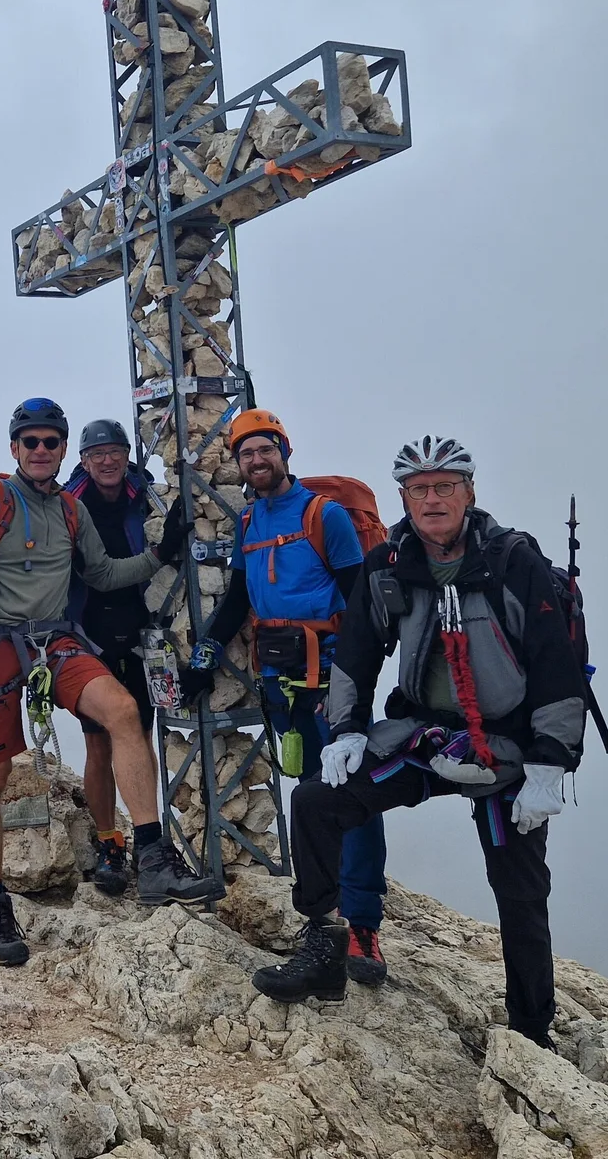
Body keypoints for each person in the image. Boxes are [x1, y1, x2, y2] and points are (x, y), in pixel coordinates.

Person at [251, 436, 586, 1050]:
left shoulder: (513, 561)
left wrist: (550, 764)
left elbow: (556, 666)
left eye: (445, 486)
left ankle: (532, 1030)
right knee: (318, 801)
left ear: (469, 492)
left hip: (506, 751)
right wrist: (347, 732)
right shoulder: (391, 563)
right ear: (404, 497)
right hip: (423, 735)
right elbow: (356, 651)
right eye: (419, 489)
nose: (432, 500)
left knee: (520, 890)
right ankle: (325, 945)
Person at [0, 397, 219, 965]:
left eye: (51, 442)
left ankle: (149, 858)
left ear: (63, 448)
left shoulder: (71, 513)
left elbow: (102, 573)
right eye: (31, 442)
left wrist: (161, 553)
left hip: (56, 641)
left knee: (121, 712)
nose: (41, 451)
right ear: (15, 449)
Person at [181, 408, 393, 984]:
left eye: (265, 449)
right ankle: (325, 926)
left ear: (285, 452)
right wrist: (204, 656)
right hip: (281, 684)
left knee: (351, 796)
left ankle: (365, 926)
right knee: (309, 796)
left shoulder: (323, 517)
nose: (257, 461)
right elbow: (237, 601)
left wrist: (348, 692)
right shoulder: (250, 522)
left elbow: (362, 608)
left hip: (329, 683)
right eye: (247, 454)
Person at [61, 418, 158, 896]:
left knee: (141, 734)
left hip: (144, 632)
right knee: (100, 743)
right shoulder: (68, 506)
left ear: (125, 455)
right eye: (96, 453)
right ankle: (109, 843)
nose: (106, 460)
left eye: (114, 451)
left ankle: (148, 842)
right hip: (92, 631)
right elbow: (95, 575)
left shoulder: (147, 497)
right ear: (83, 460)